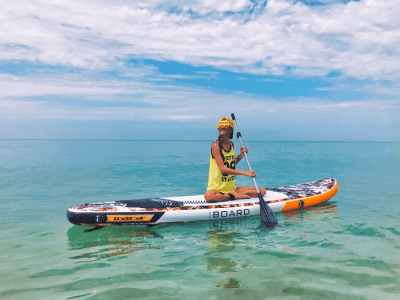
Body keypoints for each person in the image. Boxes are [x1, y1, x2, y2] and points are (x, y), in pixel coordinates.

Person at [204, 117, 266, 203]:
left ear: (230, 130)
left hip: (231, 188)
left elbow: (231, 164)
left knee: (262, 190)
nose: (221, 128)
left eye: (224, 126)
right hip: (217, 189)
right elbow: (223, 169)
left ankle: (232, 195)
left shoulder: (231, 144)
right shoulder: (216, 145)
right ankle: (232, 196)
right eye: (220, 126)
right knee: (209, 197)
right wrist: (245, 173)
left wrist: (241, 155)